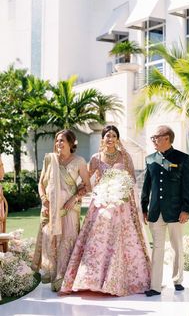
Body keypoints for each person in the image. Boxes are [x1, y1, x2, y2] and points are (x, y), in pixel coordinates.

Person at [60, 125, 151, 296]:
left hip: (121, 205)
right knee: (97, 239)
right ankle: (92, 279)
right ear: (103, 139)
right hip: (101, 204)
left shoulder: (125, 156)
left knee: (121, 240)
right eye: (107, 136)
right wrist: (74, 196)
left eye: (113, 136)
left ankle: (119, 280)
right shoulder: (96, 158)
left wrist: (121, 192)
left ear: (118, 139)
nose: (110, 139)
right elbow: (86, 181)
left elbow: (131, 179)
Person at [32, 129, 90, 292]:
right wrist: (44, 201)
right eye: (57, 140)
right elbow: (41, 183)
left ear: (71, 143)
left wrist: (75, 199)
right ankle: (52, 273)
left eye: (62, 140)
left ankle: (64, 279)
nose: (58, 143)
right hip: (50, 209)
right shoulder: (50, 160)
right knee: (51, 240)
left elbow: (87, 185)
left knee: (67, 242)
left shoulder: (79, 161)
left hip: (69, 210)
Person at [141, 125, 189, 296]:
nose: (153, 140)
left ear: (166, 138)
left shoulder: (183, 158)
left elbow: (187, 186)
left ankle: (178, 280)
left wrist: (186, 209)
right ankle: (155, 286)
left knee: (177, 246)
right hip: (155, 212)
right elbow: (146, 186)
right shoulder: (150, 159)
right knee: (157, 248)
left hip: (176, 211)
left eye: (155, 137)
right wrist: (144, 207)